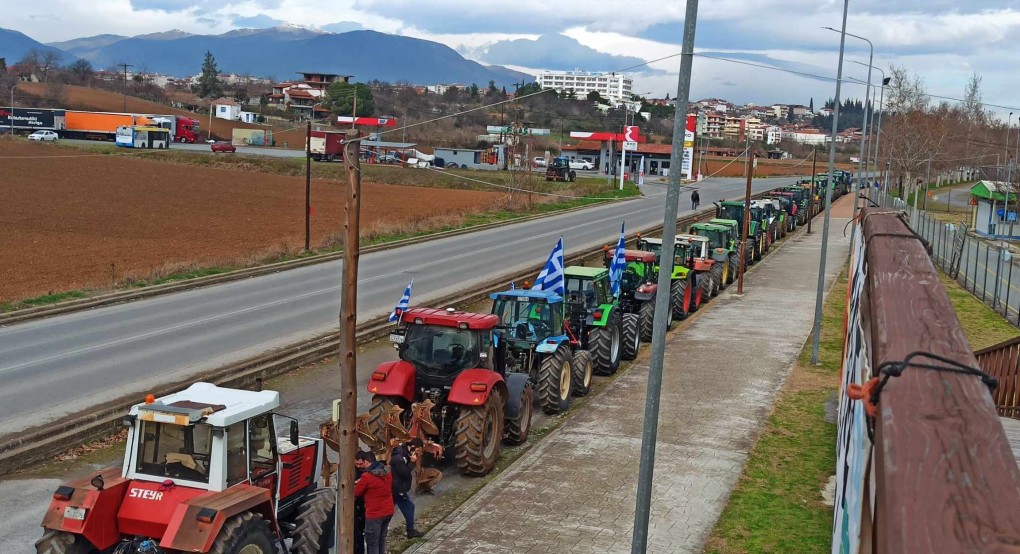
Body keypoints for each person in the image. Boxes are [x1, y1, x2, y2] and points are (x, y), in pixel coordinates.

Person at [354, 450, 394, 554]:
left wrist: (356, 483)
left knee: (372, 543)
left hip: (374, 514)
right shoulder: (387, 472)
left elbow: (356, 493)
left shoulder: (367, 476)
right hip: (388, 511)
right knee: (381, 540)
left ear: (366, 462)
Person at [391, 439, 425, 539]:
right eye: (418, 450)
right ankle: (410, 531)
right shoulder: (399, 457)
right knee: (409, 507)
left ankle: (410, 530)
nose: (419, 453)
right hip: (397, 488)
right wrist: (412, 462)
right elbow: (405, 473)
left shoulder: (404, 453)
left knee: (390, 510)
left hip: (398, 487)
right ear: (413, 446)